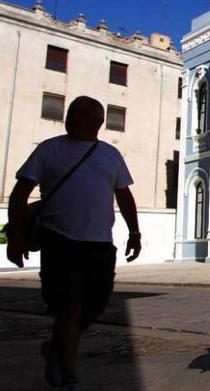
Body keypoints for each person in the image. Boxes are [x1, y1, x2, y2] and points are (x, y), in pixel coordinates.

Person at [6, 96, 141, 391]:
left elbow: (124, 196)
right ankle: (69, 376)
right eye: (71, 112)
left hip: (100, 243)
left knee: (96, 304)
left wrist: (135, 233)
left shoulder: (110, 154)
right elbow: (19, 195)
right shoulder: (49, 150)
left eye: (81, 113)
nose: (73, 117)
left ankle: (56, 347)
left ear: (98, 121)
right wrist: (16, 236)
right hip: (59, 240)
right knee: (68, 307)